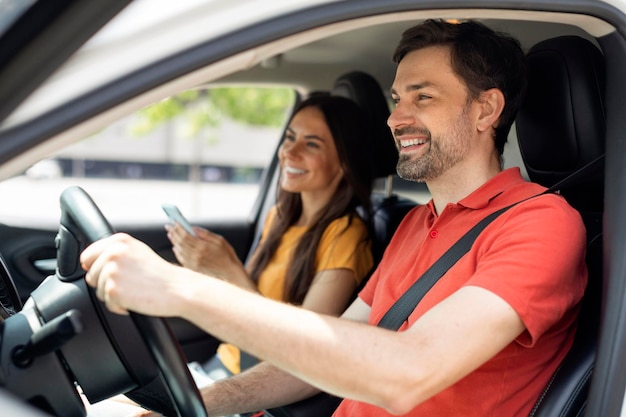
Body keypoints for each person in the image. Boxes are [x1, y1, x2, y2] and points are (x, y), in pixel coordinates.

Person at [82, 19, 588, 417]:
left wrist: (181, 289)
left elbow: (409, 372)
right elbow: (314, 361)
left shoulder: (542, 225)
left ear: (486, 110)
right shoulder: (416, 222)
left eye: (423, 96)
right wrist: (190, 404)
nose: (395, 117)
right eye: (397, 99)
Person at [165, 94, 375, 380]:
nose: (289, 151)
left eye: (311, 144)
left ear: (344, 163)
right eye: (289, 137)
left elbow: (308, 345)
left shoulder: (346, 235)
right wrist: (208, 269)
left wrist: (229, 268)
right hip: (224, 363)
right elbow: (245, 305)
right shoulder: (279, 216)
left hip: (257, 384)